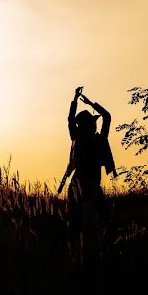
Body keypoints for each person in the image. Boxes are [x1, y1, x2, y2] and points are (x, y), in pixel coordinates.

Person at [63, 86, 117, 267]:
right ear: (90, 125)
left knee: (77, 225)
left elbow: (70, 120)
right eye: (93, 122)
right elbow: (107, 116)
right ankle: (97, 259)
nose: (95, 124)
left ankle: (77, 257)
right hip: (91, 189)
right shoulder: (98, 140)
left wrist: (75, 100)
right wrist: (89, 102)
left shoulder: (76, 137)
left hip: (79, 186)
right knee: (102, 223)